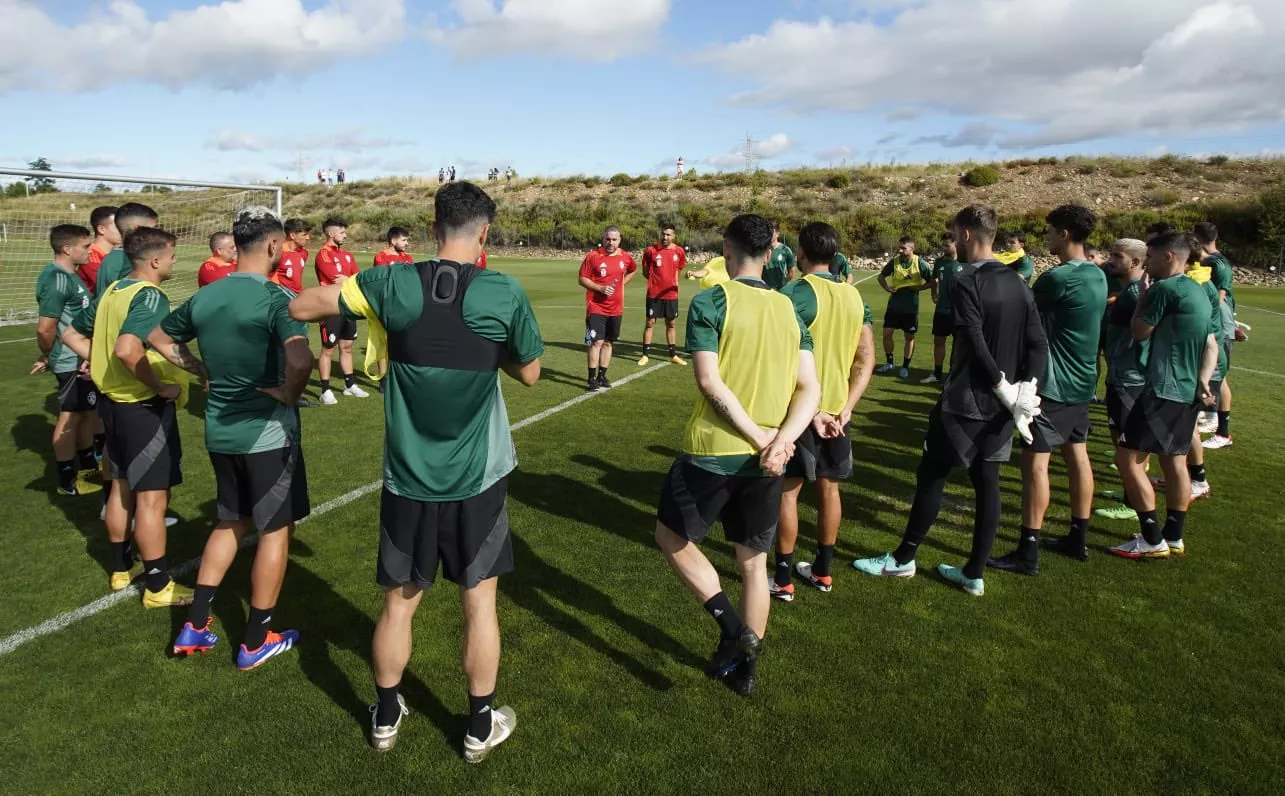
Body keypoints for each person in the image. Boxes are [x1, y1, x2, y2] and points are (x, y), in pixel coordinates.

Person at [289, 181, 543, 759]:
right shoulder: (502, 291)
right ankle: (479, 723)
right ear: (484, 234)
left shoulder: (390, 281)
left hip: (408, 478)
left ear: (432, 229)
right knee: (479, 602)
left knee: (400, 601)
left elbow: (302, 306)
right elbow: (530, 374)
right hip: (477, 477)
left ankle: (384, 714)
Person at [654, 213, 820, 696]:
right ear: (771, 253)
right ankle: (747, 671)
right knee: (753, 563)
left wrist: (760, 438)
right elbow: (810, 387)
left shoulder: (711, 300)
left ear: (726, 249)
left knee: (671, 536)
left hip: (713, 451)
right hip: (770, 458)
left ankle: (731, 629)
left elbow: (710, 382)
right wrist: (782, 441)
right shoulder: (790, 308)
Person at [854, 205, 1047, 597]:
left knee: (932, 474)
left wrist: (1002, 385)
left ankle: (904, 560)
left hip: (966, 402)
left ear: (966, 236)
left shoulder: (965, 281)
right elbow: (1038, 343)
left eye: (956, 233)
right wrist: (1026, 390)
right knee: (987, 480)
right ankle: (974, 573)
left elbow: (974, 339)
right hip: (1005, 408)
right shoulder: (1019, 283)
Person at [151, 207, 313, 669]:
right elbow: (299, 362)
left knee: (230, 520)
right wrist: (287, 393)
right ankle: (256, 639)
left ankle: (196, 624)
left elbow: (159, 338)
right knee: (276, 530)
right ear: (272, 246)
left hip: (220, 431)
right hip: (266, 434)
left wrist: (202, 369)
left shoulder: (207, 295)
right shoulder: (278, 299)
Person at [61, 227, 192, 604]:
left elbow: (71, 334)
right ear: (154, 260)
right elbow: (126, 349)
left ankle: (120, 570)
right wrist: (159, 387)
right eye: (171, 255)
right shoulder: (150, 296)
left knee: (119, 487)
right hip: (141, 409)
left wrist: (95, 359)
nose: (173, 261)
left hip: (110, 405)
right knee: (152, 500)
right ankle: (157, 586)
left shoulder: (114, 289)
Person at [988, 205, 1107, 575]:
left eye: (1052, 232)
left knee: (1035, 464)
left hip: (1054, 384)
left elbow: (1023, 314)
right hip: (1084, 381)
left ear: (1065, 235)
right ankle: (1078, 535)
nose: (1048, 238)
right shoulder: (1098, 275)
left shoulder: (1058, 278)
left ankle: (1028, 548)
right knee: (1078, 455)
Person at [773, 221, 874, 601]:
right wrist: (846, 408)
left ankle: (782, 578)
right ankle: (822, 571)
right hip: (838, 414)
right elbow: (866, 359)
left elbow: (783, 358)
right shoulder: (853, 297)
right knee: (830, 489)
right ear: (836, 255)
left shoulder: (794, 293)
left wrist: (813, 410)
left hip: (802, 410)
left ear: (800, 253)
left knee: (788, 492)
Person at [1108, 232, 1219, 560]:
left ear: (1169, 256)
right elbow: (1210, 344)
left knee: (1126, 459)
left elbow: (1138, 330)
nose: (1148, 265)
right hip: (1185, 390)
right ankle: (1173, 535)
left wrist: (1143, 298)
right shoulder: (1198, 291)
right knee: (1175, 462)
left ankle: (1151, 537)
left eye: (1152, 258)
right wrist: (1202, 380)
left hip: (1160, 390)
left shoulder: (1164, 289)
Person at [32, 225, 102, 497]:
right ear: (67, 249)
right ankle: (65, 478)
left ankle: (86, 465)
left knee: (85, 414)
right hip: (69, 360)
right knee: (70, 417)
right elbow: (45, 327)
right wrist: (47, 354)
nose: (89, 250)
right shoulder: (56, 279)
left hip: (79, 356)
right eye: (85, 246)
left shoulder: (71, 275)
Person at [1093, 239, 1149, 524]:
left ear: (1136, 262)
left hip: (1129, 377)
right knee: (1123, 440)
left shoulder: (1135, 292)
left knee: (1128, 443)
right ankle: (1130, 490)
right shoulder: (1129, 290)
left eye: (1118, 256)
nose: (1110, 260)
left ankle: (1132, 503)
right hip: (1121, 374)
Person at [314, 217, 367, 404]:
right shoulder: (323, 254)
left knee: (347, 347)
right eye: (342, 232)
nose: (345, 235)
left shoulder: (347, 255)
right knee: (328, 349)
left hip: (348, 306)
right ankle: (325, 389)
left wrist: (349, 279)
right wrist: (349, 279)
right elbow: (334, 278)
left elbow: (357, 277)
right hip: (330, 307)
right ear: (331, 233)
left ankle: (349, 385)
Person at [1193, 222, 1235, 449]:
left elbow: (1218, 300)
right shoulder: (1209, 261)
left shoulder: (1218, 264)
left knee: (1220, 374)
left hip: (1220, 325)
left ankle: (1222, 430)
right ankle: (1212, 417)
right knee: (1216, 374)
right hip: (1216, 324)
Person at [578, 226, 636, 391]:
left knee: (609, 343)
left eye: (614, 239)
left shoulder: (625, 257)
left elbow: (632, 270)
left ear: (620, 240)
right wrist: (600, 288)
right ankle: (591, 378)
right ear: (603, 239)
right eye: (608, 239)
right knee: (597, 342)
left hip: (616, 308)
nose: (611, 242)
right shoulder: (594, 256)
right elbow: (582, 279)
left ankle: (602, 375)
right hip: (596, 307)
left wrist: (621, 286)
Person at [876, 237, 935, 379]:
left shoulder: (920, 263)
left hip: (910, 308)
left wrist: (919, 288)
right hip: (894, 306)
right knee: (887, 334)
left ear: (912, 249)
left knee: (909, 337)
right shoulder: (894, 261)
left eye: (904, 248)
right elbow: (881, 277)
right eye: (900, 248)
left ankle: (905, 366)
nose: (901, 250)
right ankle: (889, 363)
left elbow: (933, 281)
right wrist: (887, 288)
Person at [637, 223, 688, 366]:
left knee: (671, 323)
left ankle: (673, 355)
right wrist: (655, 282)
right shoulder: (651, 250)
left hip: (671, 294)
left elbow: (680, 268)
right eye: (663, 234)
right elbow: (645, 271)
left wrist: (670, 281)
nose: (665, 237)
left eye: (668, 235)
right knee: (650, 322)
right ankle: (645, 355)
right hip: (654, 294)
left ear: (674, 236)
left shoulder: (679, 251)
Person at [923, 232, 964, 384]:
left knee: (959, 344)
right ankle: (937, 373)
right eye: (943, 245)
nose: (944, 248)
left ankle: (955, 375)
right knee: (938, 341)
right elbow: (933, 279)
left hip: (959, 311)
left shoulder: (964, 262)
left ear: (956, 244)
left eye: (947, 245)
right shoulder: (939, 262)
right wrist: (934, 293)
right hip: (941, 309)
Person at [95, 202, 159, 296]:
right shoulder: (127, 261)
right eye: (153, 229)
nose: (156, 234)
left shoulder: (112, 257)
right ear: (138, 229)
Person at [79, 205, 119, 295]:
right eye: (118, 226)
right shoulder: (90, 256)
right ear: (101, 229)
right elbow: (112, 285)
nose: (123, 230)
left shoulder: (114, 255)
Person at [271, 218, 312, 295]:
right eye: (304, 235)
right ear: (292, 235)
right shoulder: (277, 252)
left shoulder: (304, 253)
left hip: (297, 298)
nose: (308, 238)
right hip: (281, 298)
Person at [763, 222, 796, 290]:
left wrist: (784, 282)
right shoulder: (762, 250)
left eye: (771, 232)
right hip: (765, 289)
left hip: (781, 289)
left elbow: (791, 271)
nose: (769, 234)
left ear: (778, 234)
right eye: (767, 232)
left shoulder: (785, 250)